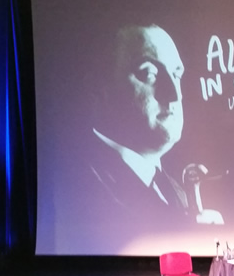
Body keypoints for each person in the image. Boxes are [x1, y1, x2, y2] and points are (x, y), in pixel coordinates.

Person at [87, 24, 223, 227]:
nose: (175, 94)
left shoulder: (173, 189)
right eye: (149, 74)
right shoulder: (84, 187)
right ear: (100, 88)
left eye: (176, 75)